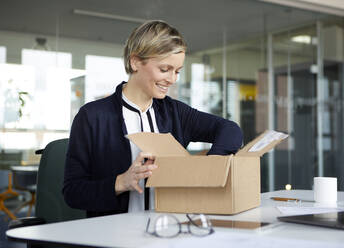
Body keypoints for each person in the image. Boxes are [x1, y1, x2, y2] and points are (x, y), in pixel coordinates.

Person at [63, 20, 243, 217]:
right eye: (165, 69)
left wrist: (210, 167)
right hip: (114, 235)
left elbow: (230, 129)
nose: (172, 79)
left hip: (170, 230)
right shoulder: (92, 117)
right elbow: (73, 192)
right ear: (135, 62)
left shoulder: (175, 112)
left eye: (177, 71)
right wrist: (121, 182)